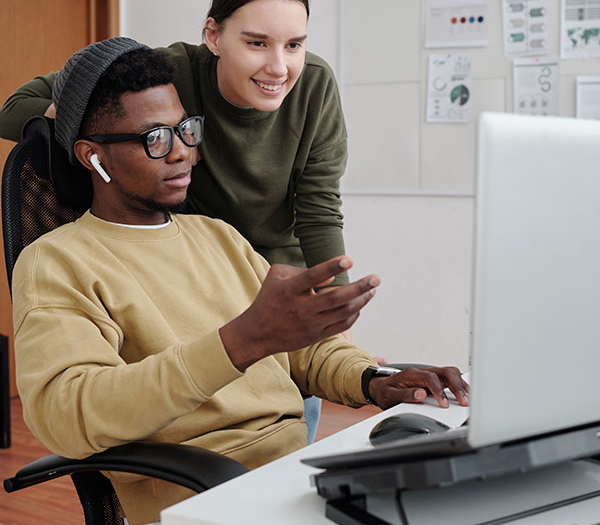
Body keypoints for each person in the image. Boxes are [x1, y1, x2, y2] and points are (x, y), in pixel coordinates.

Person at [12, 38, 469, 525]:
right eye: (155, 139)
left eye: (186, 130)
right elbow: (70, 415)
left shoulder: (218, 236)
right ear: (91, 156)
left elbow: (301, 352)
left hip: (296, 475)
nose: (183, 154)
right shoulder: (56, 262)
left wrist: (373, 381)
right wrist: (238, 343)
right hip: (202, 499)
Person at [0, 0, 357, 442]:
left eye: (294, 44)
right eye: (256, 43)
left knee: (289, 425)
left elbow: (318, 209)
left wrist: (352, 347)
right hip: (178, 284)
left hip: (249, 268)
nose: (279, 65)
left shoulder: (310, 87)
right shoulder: (167, 74)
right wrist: (86, 123)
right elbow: (74, 411)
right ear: (214, 37)